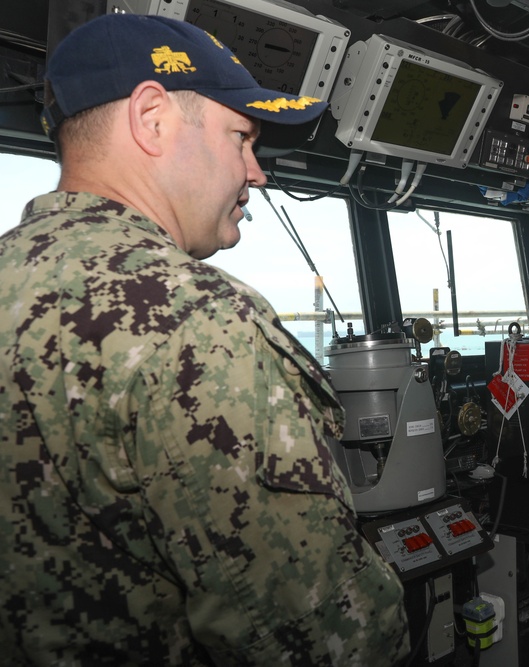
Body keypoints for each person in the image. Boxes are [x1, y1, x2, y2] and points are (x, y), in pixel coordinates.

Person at [0, 14, 408, 665]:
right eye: (242, 137)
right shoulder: (195, 315)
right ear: (152, 118)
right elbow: (324, 634)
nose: (257, 172)